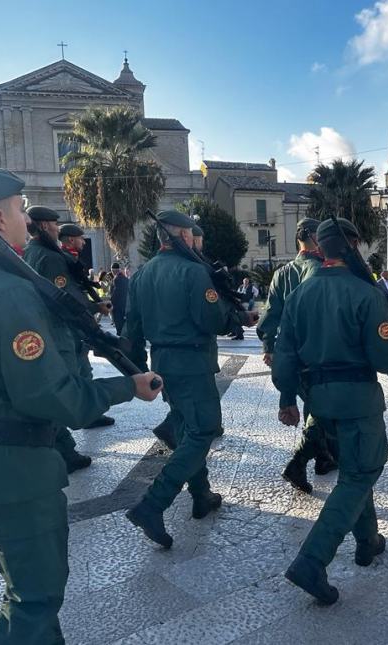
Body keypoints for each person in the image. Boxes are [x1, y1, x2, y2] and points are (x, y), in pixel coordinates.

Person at [0, 165, 162, 643]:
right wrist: (131, 387)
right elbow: (55, 397)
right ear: (0, 219)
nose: (27, 221)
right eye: (21, 212)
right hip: (16, 473)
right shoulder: (7, 294)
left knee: (30, 598)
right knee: (33, 603)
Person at [272, 217, 388, 605]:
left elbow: (284, 354)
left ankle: (367, 541)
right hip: (357, 401)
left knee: (355, 469)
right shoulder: (365, 294)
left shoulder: (299, 295)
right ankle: (312, 560)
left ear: (320, 248)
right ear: (353, 245)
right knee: (360, 474)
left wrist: (287, 398)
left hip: (318, 403)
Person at [124, 210, 257, 548]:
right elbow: (212, 320)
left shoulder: (141, 275)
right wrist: (237, 319)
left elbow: (132, 330)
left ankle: (201, 494)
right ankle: (153, 503)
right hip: (193, 362)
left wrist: (139, 371)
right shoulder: (194, 272)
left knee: (186, 428)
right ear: (183, 236)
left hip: (163, 363)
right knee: (203, 431)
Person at [257, 218, 336, 494]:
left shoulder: (282, 272)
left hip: (290, 355)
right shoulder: (319, 270)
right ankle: (299, 462)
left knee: (314, 405)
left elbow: (270, 315)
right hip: (314, 354)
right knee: (322, 410)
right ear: (316, 238)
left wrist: (269, 346)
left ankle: (324, 457)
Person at [22, 205, 94, 473]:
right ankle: (63, 450)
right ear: (43, 226)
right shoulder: (50, 258)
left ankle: (64, 447)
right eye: (53, 225)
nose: (57, 229)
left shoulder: (29, 252)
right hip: (59, 330)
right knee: (63, 388)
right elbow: (65, 298)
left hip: (42, 329)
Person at [57, 223, 116, 429]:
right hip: (70, 328)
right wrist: (95, 307)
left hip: (77, 328)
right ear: (71, 239)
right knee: (76, 373)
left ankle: (90, 414)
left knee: (84, 370)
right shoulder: (59, 260)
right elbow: (69, 297)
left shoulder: (69, 258)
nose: (84, 241)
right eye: (80, 238)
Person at [110, 262, 129, 335]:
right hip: (125, 305)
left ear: (113, 270)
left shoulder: (116, 279)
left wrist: (111, 302)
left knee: (119, 325)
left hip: (117, 306)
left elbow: (116, 293)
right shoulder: (125, 279)